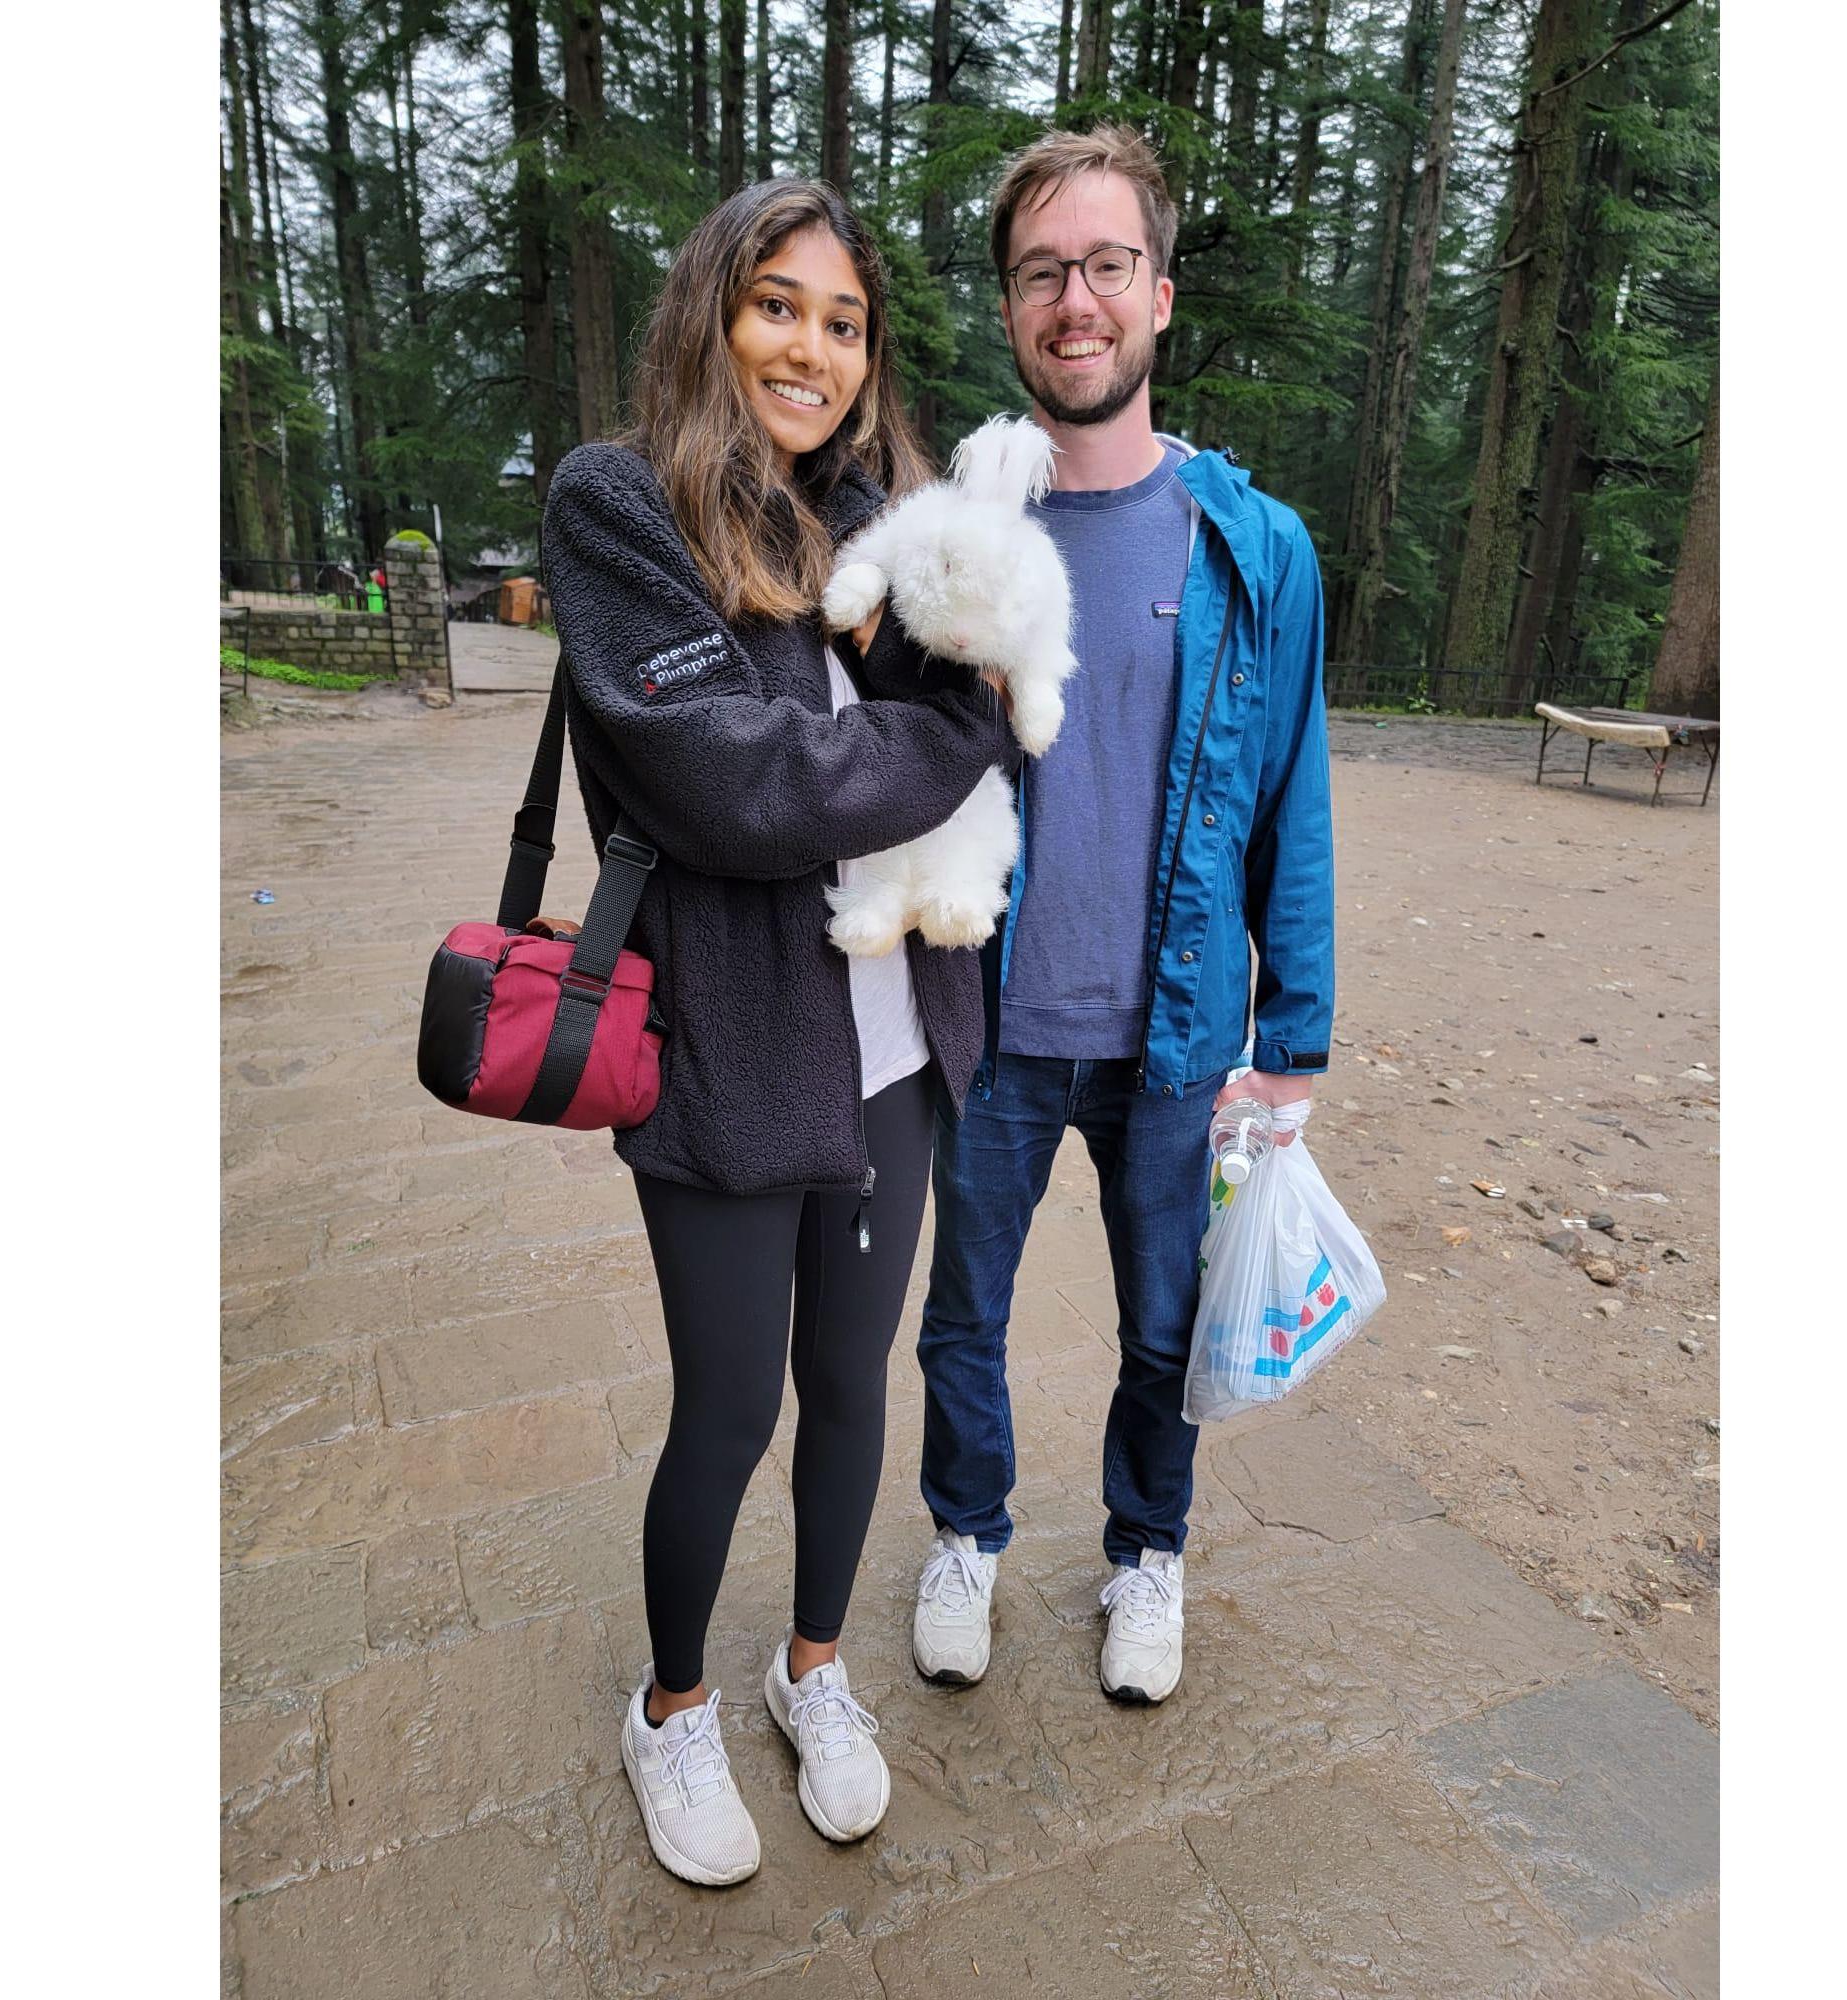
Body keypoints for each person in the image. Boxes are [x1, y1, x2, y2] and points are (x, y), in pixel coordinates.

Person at [539, 179, 1019, 1888]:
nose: (810, 348)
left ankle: (813, 1668)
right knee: (731, 1403)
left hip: (896, 1036)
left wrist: (965, 700)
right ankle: (670, 1708)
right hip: (733, 1051)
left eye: (842, 319)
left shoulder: (876, 526)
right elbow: (745, 782)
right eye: (775, 306)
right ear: (711, 313)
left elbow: (993, 678)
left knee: (847, 1385)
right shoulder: (620, 508)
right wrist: (963, 730)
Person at [909, 125, 1335, 1705]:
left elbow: (1295, 793)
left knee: (1168, 1322)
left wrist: (1291, 1036)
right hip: (990, 1022)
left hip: (1174, 1036)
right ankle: (969, 1531)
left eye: (1102, 267)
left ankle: (1146, 1555)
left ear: (1157, 295)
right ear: (1013, 307)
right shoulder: (964, 527)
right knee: (966, 1311)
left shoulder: (1254, 546)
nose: (1072, 301)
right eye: (1040, 273)